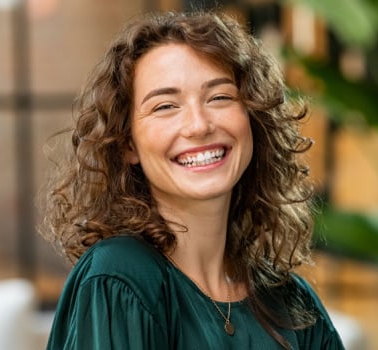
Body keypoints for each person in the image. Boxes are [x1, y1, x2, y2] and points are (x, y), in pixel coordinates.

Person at [39, 10, 345, 349]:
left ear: (253, 120)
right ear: (128, 143)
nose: (199, 125)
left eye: (219, 97)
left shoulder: (292, 304)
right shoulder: (119, 278)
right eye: (166, 106)